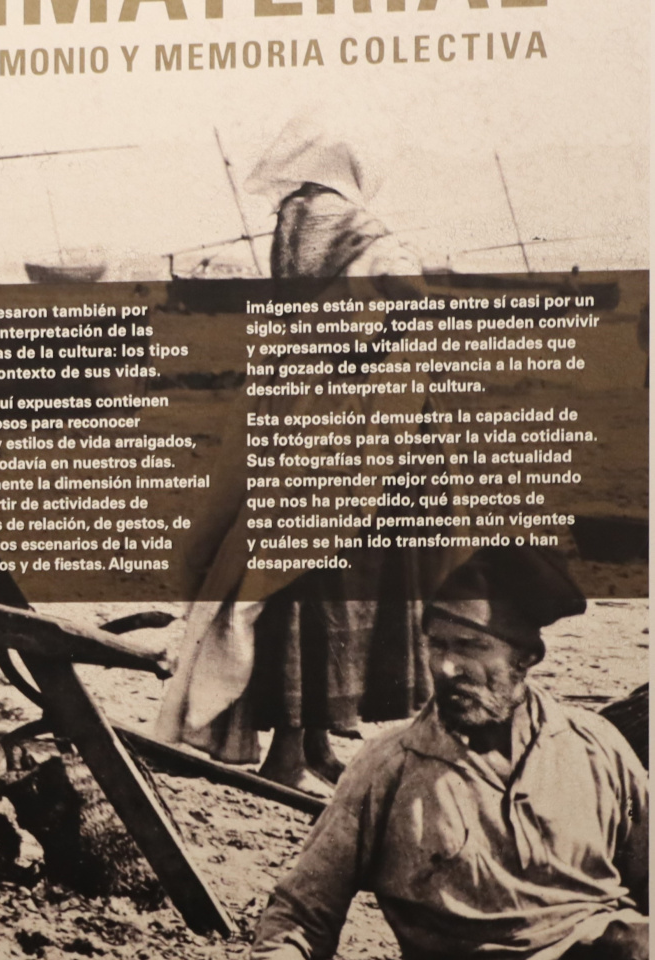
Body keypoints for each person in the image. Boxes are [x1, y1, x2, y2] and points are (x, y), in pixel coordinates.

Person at [156, 115, 457, 790]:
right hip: (359, 417)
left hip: (295, 405)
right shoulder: (367, 231)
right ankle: (292, 754)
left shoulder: (292, 218)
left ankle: (311, 744)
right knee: (330, 573)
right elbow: (405, 310)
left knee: (286, 562)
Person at [251, 547, 649, 960]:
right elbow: (301, 914)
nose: (445, 667)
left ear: (524, 659)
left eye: (470, 646)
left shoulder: (594, 748)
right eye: (437, 645)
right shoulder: (389, 768)